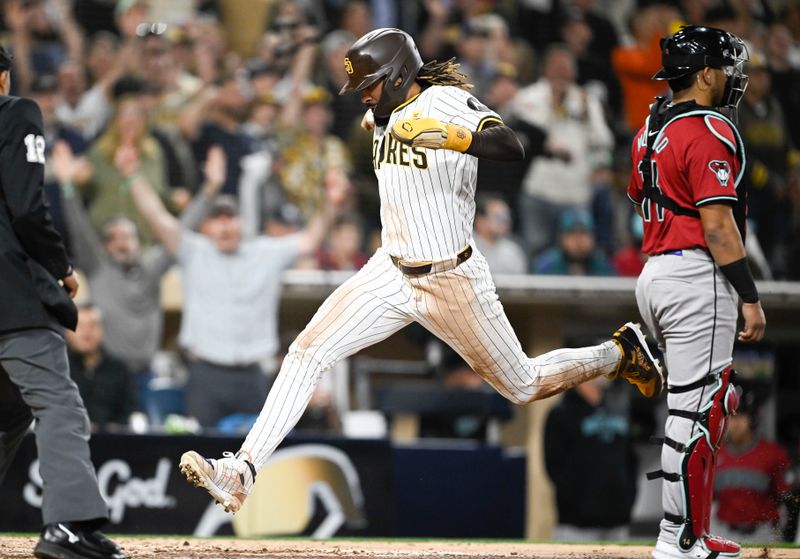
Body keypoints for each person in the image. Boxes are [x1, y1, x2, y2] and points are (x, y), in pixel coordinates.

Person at [176, 28, 663, 515]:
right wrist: (379, 121)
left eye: (370, 84)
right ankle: (242, 470)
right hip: (391, 270)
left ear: (400, 75)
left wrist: (455, 137)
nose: (364, 95)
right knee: (307, 351)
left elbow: (510, 144)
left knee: (524, 385)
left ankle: (617, 354)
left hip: (452, 277)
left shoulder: (444, 101)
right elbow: (382, 123)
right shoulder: (380, 114)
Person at [627, 26, 767, 559]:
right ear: (705, 73)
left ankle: (683, 535)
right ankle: (679, 539)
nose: (732, 76)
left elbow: (641, 193)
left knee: (706, 405)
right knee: (696, 415)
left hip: (658, 271)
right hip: (697, 275)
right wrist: (749, 295)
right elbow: (717, 226)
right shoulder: (708, 126)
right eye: (726, 66)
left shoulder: (649, 128)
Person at [0, 45, 125, 559]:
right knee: (57, 401)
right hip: (9, 295)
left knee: (7, 416)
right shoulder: (15, 111)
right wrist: (61, 268)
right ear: (3, 78)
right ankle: (68, 526)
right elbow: (29, 209)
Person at [123, 144, 348, 429]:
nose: (225, 226)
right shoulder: (193, 250)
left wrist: (331, 203)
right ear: (206, 227)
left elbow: (310, 240)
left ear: (242, 222)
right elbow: (157, 218)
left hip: (252, 375)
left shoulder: (266, 252)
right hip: (205, 373)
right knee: (200, 460)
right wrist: (133, 175)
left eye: (230, 218)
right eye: (217, 220)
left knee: (254, 461)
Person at [544, 377, 638, 541]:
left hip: (617, 521)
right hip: (577, 526)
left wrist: (628, 500)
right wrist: (580, 505)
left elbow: (631, 459)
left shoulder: (618, 409)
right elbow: (554, 467)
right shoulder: (561, 413)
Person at [713, 389, 795, 544]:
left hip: (763, 533)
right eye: (731, 416)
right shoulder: (714, 455)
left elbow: (789, 499)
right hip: (723, 532)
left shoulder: (773, 454)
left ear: (753, 419)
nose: (736, 423)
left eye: (742, 416)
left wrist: (789, 538)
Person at [65, 305, 136, 432]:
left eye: (92, 326)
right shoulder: (58, 368)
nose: (87, 332)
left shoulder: (118, 368)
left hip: (113, 442)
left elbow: (130, 410)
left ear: (102, 330)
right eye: (80, 326)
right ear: (67, 332)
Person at [533, 207, 615, 276]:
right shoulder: (546, 266)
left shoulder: (603, 266)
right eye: (572, 234)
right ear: (560, 238)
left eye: (584, 233)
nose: (578, 241)